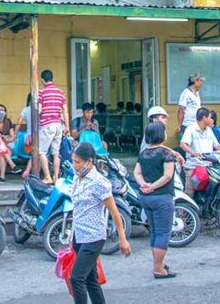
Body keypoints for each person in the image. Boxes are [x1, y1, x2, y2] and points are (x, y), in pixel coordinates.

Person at [68, 142, 131, 303]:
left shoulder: (99, 182)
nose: (74, 165)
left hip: (94, 236)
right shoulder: (77, 178)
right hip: (78, 235)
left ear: (89, 162)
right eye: (73, 161)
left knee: (76, 278)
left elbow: (114, 213)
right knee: (90, 280)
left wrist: (122, 239)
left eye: (77, 162)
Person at [133, 122, 176, 279]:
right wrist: (153, 187)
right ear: (161, 135)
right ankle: (158, 267)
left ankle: (158, 263)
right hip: (162, 197)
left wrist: (144, 184)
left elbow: (137, 173)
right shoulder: (166, 154)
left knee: (155, 231)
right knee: (163, 233)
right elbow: (167, 176)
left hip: (145, 198)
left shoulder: (143, 153)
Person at [178, 107, 220, 194]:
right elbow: (183, 144)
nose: (211, 120)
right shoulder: (191, 129)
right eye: (209, 117)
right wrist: (194, 153)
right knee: (189, 194)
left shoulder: (209, 130)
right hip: (194, 167)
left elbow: (217, 145)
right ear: (204, 118)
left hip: (208, 167)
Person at [37, 69, 69, 185]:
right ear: (53, 79)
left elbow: (39, 110)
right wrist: (67, 126)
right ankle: (56, 177)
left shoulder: (41, 93)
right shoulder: (60, 92)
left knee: (41, 152)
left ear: (42, 81)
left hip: (47, 125)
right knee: (56, 153)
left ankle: (47, 177)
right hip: (58, 125)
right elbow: (65, 110)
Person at [0, 104, 20, 182]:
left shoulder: (8, 122)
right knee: (2, 152)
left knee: (3, 152)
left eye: (2, 110)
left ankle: (2, 177)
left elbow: (13, 137)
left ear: (5, 113)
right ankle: (12, 166)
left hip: (7, 144)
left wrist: (6, 140)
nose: (0, 112)